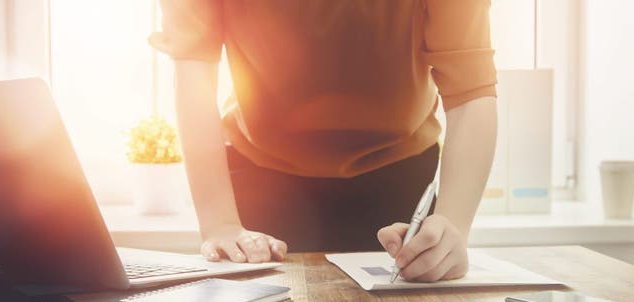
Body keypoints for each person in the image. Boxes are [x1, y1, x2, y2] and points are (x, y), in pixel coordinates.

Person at [150, 0, 497, 282]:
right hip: (260, 176)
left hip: (398, 174)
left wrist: (453, 225)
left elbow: (469, 91)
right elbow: (194, 67)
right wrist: (220, 224)